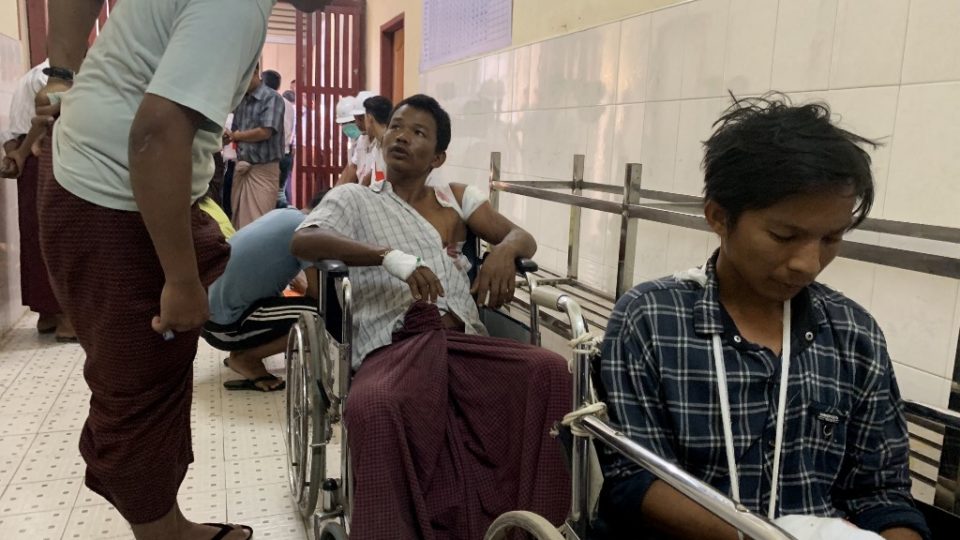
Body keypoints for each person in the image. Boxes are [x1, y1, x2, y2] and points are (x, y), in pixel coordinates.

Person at [33, 1, 331, 539]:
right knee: (138, 385)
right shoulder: (236, 7)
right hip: (114, 193)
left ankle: (167, 524)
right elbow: (156, 133)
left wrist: (62, 76)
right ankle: (162, 535)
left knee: (154, 372)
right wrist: (180, 279)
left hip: (104, 176)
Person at [597, 95, 930, 540]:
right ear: (718, 216)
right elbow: (633, 480)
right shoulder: (650, 320)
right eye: (784, 235)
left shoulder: (853, 334)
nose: (808, 264)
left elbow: (882, 495)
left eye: (831, 238)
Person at [291, 94, 571, 539]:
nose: (401, 135)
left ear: (438, 156)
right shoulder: (355, 199)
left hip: (462, 343)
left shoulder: (455, 198)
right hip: (394, 345)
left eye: (418, 132)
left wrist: (504, 251)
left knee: (550, 371)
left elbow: (522, 237)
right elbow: (304, 241)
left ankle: (526, 527)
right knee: (374, 405)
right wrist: (384, 257)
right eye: (397, 126)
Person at [202, 195, 327, 393]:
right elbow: (317, 293)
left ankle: (243, 350)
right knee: (321, 316)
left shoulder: (284, 214)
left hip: (208, 320)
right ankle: (246, 358)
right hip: (227, 328)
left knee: (288, 301)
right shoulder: (307, 230)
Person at [0, 59, 76, 341]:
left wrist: (14, 155)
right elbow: (43, 123)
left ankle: (47, 314)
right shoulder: (60, 78)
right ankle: (67, 318)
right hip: (51, 156)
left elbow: (11, 133)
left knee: (35, 234)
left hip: (29, 158)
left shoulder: (29, 77)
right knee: (61, 234)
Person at [226, 66, 286, 228]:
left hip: (263, 171)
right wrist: (228, 137)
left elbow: (265, 132)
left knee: (258, 225)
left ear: (254, 71)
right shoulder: (241, 99)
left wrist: (236, 136)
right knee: (239, 224)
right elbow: (235, 130)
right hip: (242, 168)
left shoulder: (272, 98)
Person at [335, 90, 375, 186]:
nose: (357, 124)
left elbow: (371, 177)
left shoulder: (382, 144)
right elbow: (351, 168)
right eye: (343, 124)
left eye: (360, 119)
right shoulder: (362, 139)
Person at [355, 95, 391, 188]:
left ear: (370, 118)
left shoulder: (390, 145)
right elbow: (377, 176)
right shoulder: (378, 145)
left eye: (364, 118)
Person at [277, 89, 296, 208]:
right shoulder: (290, 107)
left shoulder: (272, 102)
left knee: (274, 192)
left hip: (275, 153)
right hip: (287, 151)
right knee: (281, 191)